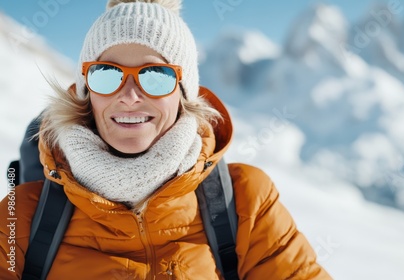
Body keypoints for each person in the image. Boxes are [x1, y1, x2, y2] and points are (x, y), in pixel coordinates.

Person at [0, 0, 332, 279]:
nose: (129, 96)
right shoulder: (18, 221)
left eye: (156, 75)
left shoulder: (247, 204)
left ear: (184, 92)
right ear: (88, 91)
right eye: (107, 74)